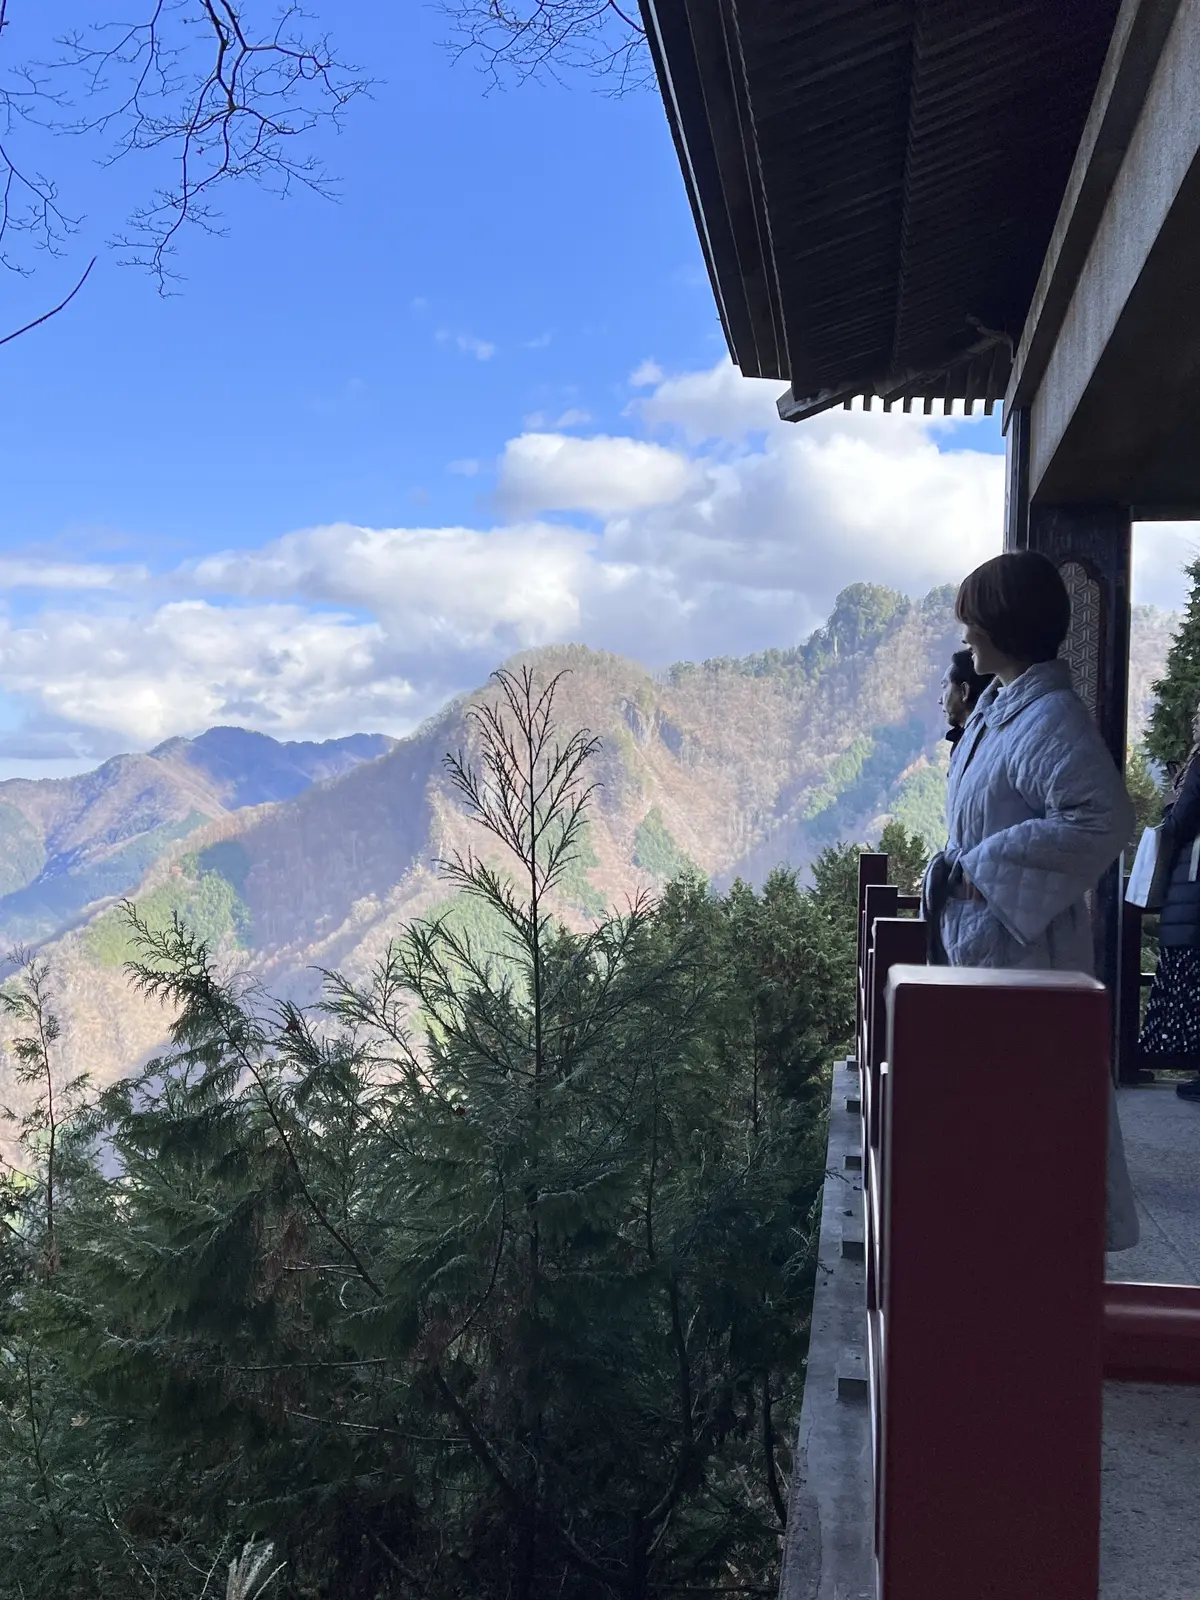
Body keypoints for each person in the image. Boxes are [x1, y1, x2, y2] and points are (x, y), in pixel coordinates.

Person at [922, 549, 1139, 1250]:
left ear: (1005, 626)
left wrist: (982, 872)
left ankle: (1030, 1267)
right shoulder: (1003, 708)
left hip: (1026, 951)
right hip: (990, 941)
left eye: (974, 624)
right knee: (1001, 1111)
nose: (968, 639)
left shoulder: (1046, 715)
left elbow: (1100, 818)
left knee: (1027, 1114)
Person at [1139, 703, 1200, 1100]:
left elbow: (1180, 823)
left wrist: (1169, 803)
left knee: (1192, 979)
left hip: (1193, 884)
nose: (1194, 719)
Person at [940, 647, 993, 750]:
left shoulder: (984, 745)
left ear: (964, 691)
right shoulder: (964, 741)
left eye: (945, 687)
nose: (940, 700)